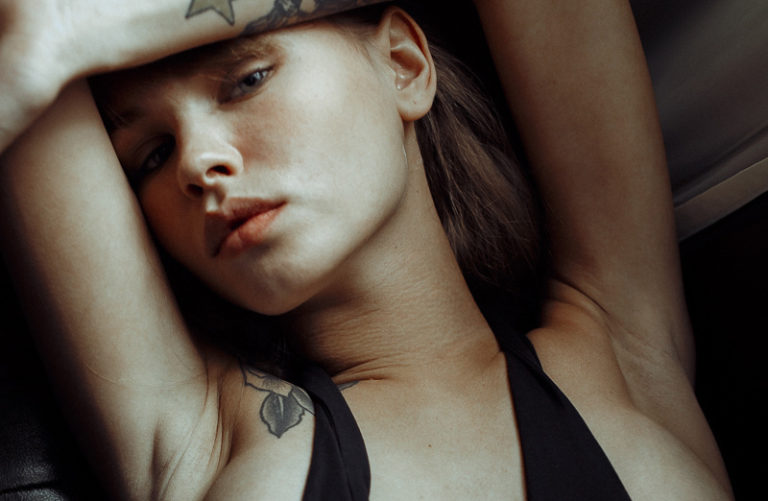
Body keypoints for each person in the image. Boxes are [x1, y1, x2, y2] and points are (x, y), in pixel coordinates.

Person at [0, 0, 733, 499]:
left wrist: (101, 26)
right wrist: (63, 31)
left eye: (248, 80)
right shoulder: (199, 441)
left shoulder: (623, 356)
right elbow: (22, 39)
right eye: (152, 154)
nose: (197, 162)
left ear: (403, 64)